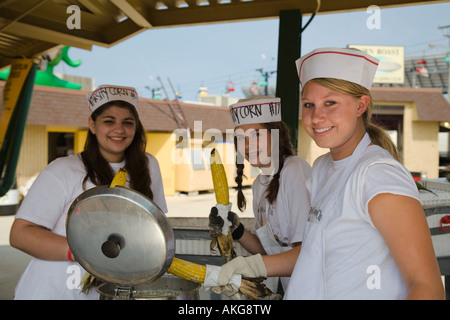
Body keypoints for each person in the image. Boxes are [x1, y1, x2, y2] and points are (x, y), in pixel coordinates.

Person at [215, 48, 445, 300]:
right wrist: (252, 267)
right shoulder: (323, 168)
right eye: (308, 104)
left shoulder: (377, 174)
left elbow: (426, 287)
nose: (316, 116)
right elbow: (314, 251)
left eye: (330, 103)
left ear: (361, 105)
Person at [9, 85, 167, 299]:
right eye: (108, 121)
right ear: (92, 125)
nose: (119, 129)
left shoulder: (149, 165)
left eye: (127, 123)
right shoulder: (63, 169)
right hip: (56, 289)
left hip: (113, 287)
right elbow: (20, 235)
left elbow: (155, 227)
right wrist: (85, 253)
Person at [209, 96, 311, 293]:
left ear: (277, 135)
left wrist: (251, 268)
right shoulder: (259, 184)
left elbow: (307, 254)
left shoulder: (294, 171)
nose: (247, 145)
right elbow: (267, 251)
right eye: (240, 138)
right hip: (292, 289)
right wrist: (235, 228)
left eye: (257, 135)